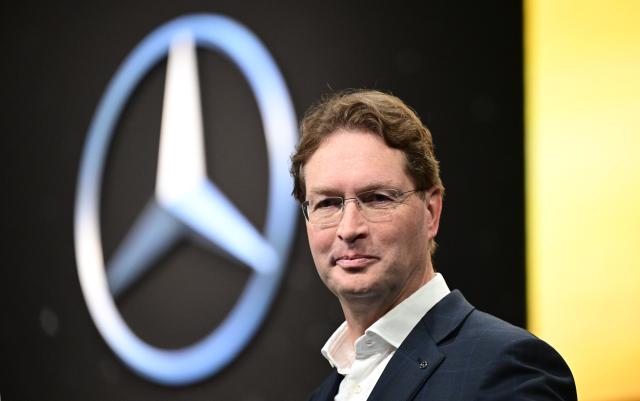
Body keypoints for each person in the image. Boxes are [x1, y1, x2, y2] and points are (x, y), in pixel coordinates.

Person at [290, 89, 576, 401]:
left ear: (431, 212)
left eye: (377, 199)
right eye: (328, 203)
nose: (349, 229)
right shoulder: (323, 396)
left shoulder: (508, 369)